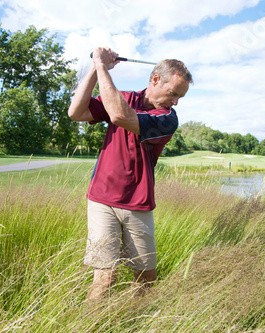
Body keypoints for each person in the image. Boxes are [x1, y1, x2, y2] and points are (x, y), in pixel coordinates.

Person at [68, 47, 193, 299]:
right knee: (105, 279)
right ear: (156, 80)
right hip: (102, 200)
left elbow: (118, 115)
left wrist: (103, 67)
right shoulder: (122, 97)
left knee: (145, 281)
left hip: (138, 205)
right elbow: (76, 112)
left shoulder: (167, 117)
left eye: (180, 97)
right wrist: (95, 67)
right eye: (173, 93)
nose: (176, 101)